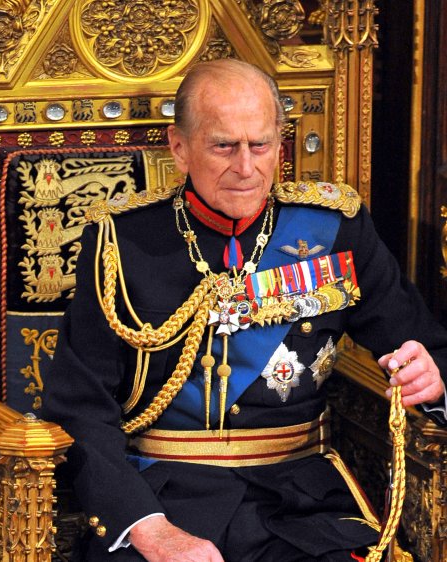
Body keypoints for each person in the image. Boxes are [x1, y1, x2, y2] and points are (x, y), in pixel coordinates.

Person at [42, 58, 447, 562]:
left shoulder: (334, 228)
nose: (246, 167)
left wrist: (432, 379)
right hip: (166, 499)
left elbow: (426, 347)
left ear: (281, 143)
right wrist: (148, 529)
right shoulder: (121, 244)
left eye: (260, 145)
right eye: (223, 146)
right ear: (179, 147)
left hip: (303, 503)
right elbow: (79, 409)